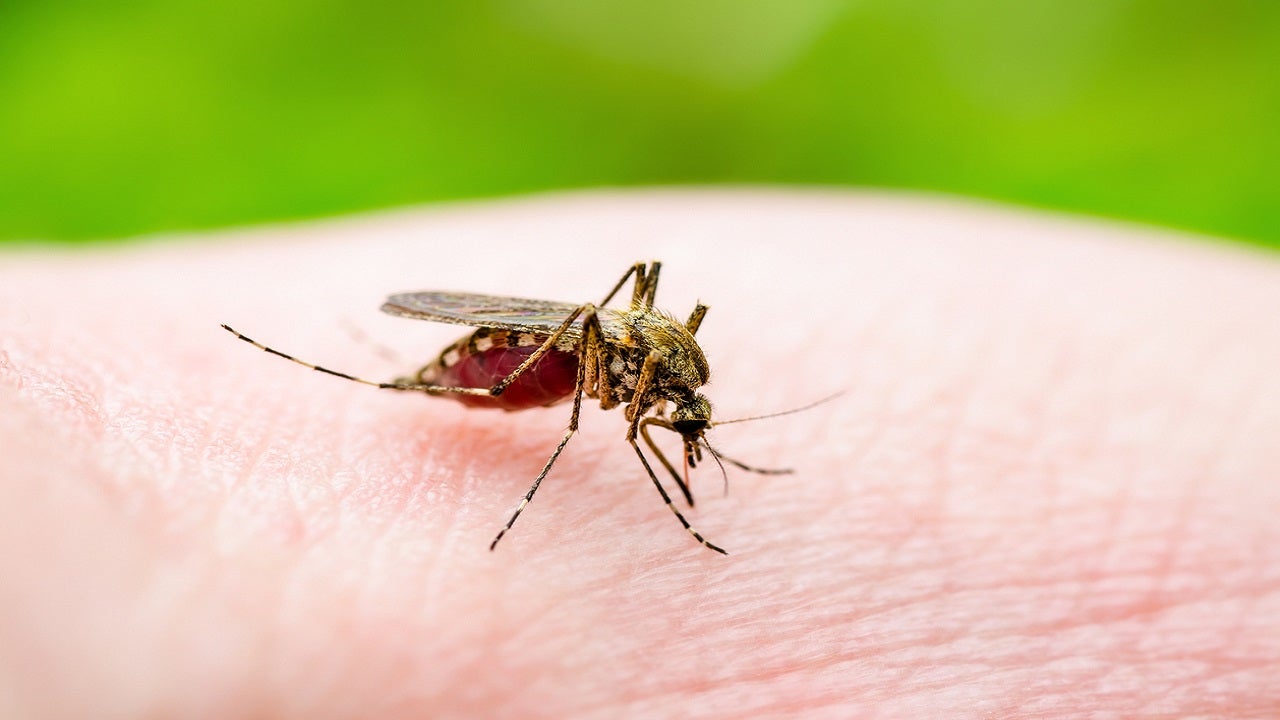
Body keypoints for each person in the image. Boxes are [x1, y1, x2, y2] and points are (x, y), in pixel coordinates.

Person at [2, 191, 1277, 717]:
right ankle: (513, 381)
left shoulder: (679, 387)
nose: (679, 437)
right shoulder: (636, 371)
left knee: (637, 333)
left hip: (584, 348)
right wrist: (583, 394)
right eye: (679, 425)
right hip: (548, 355)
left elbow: (666, 396)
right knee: (610, 338)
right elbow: (630, 349)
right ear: (667, 398)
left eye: (679, 427)